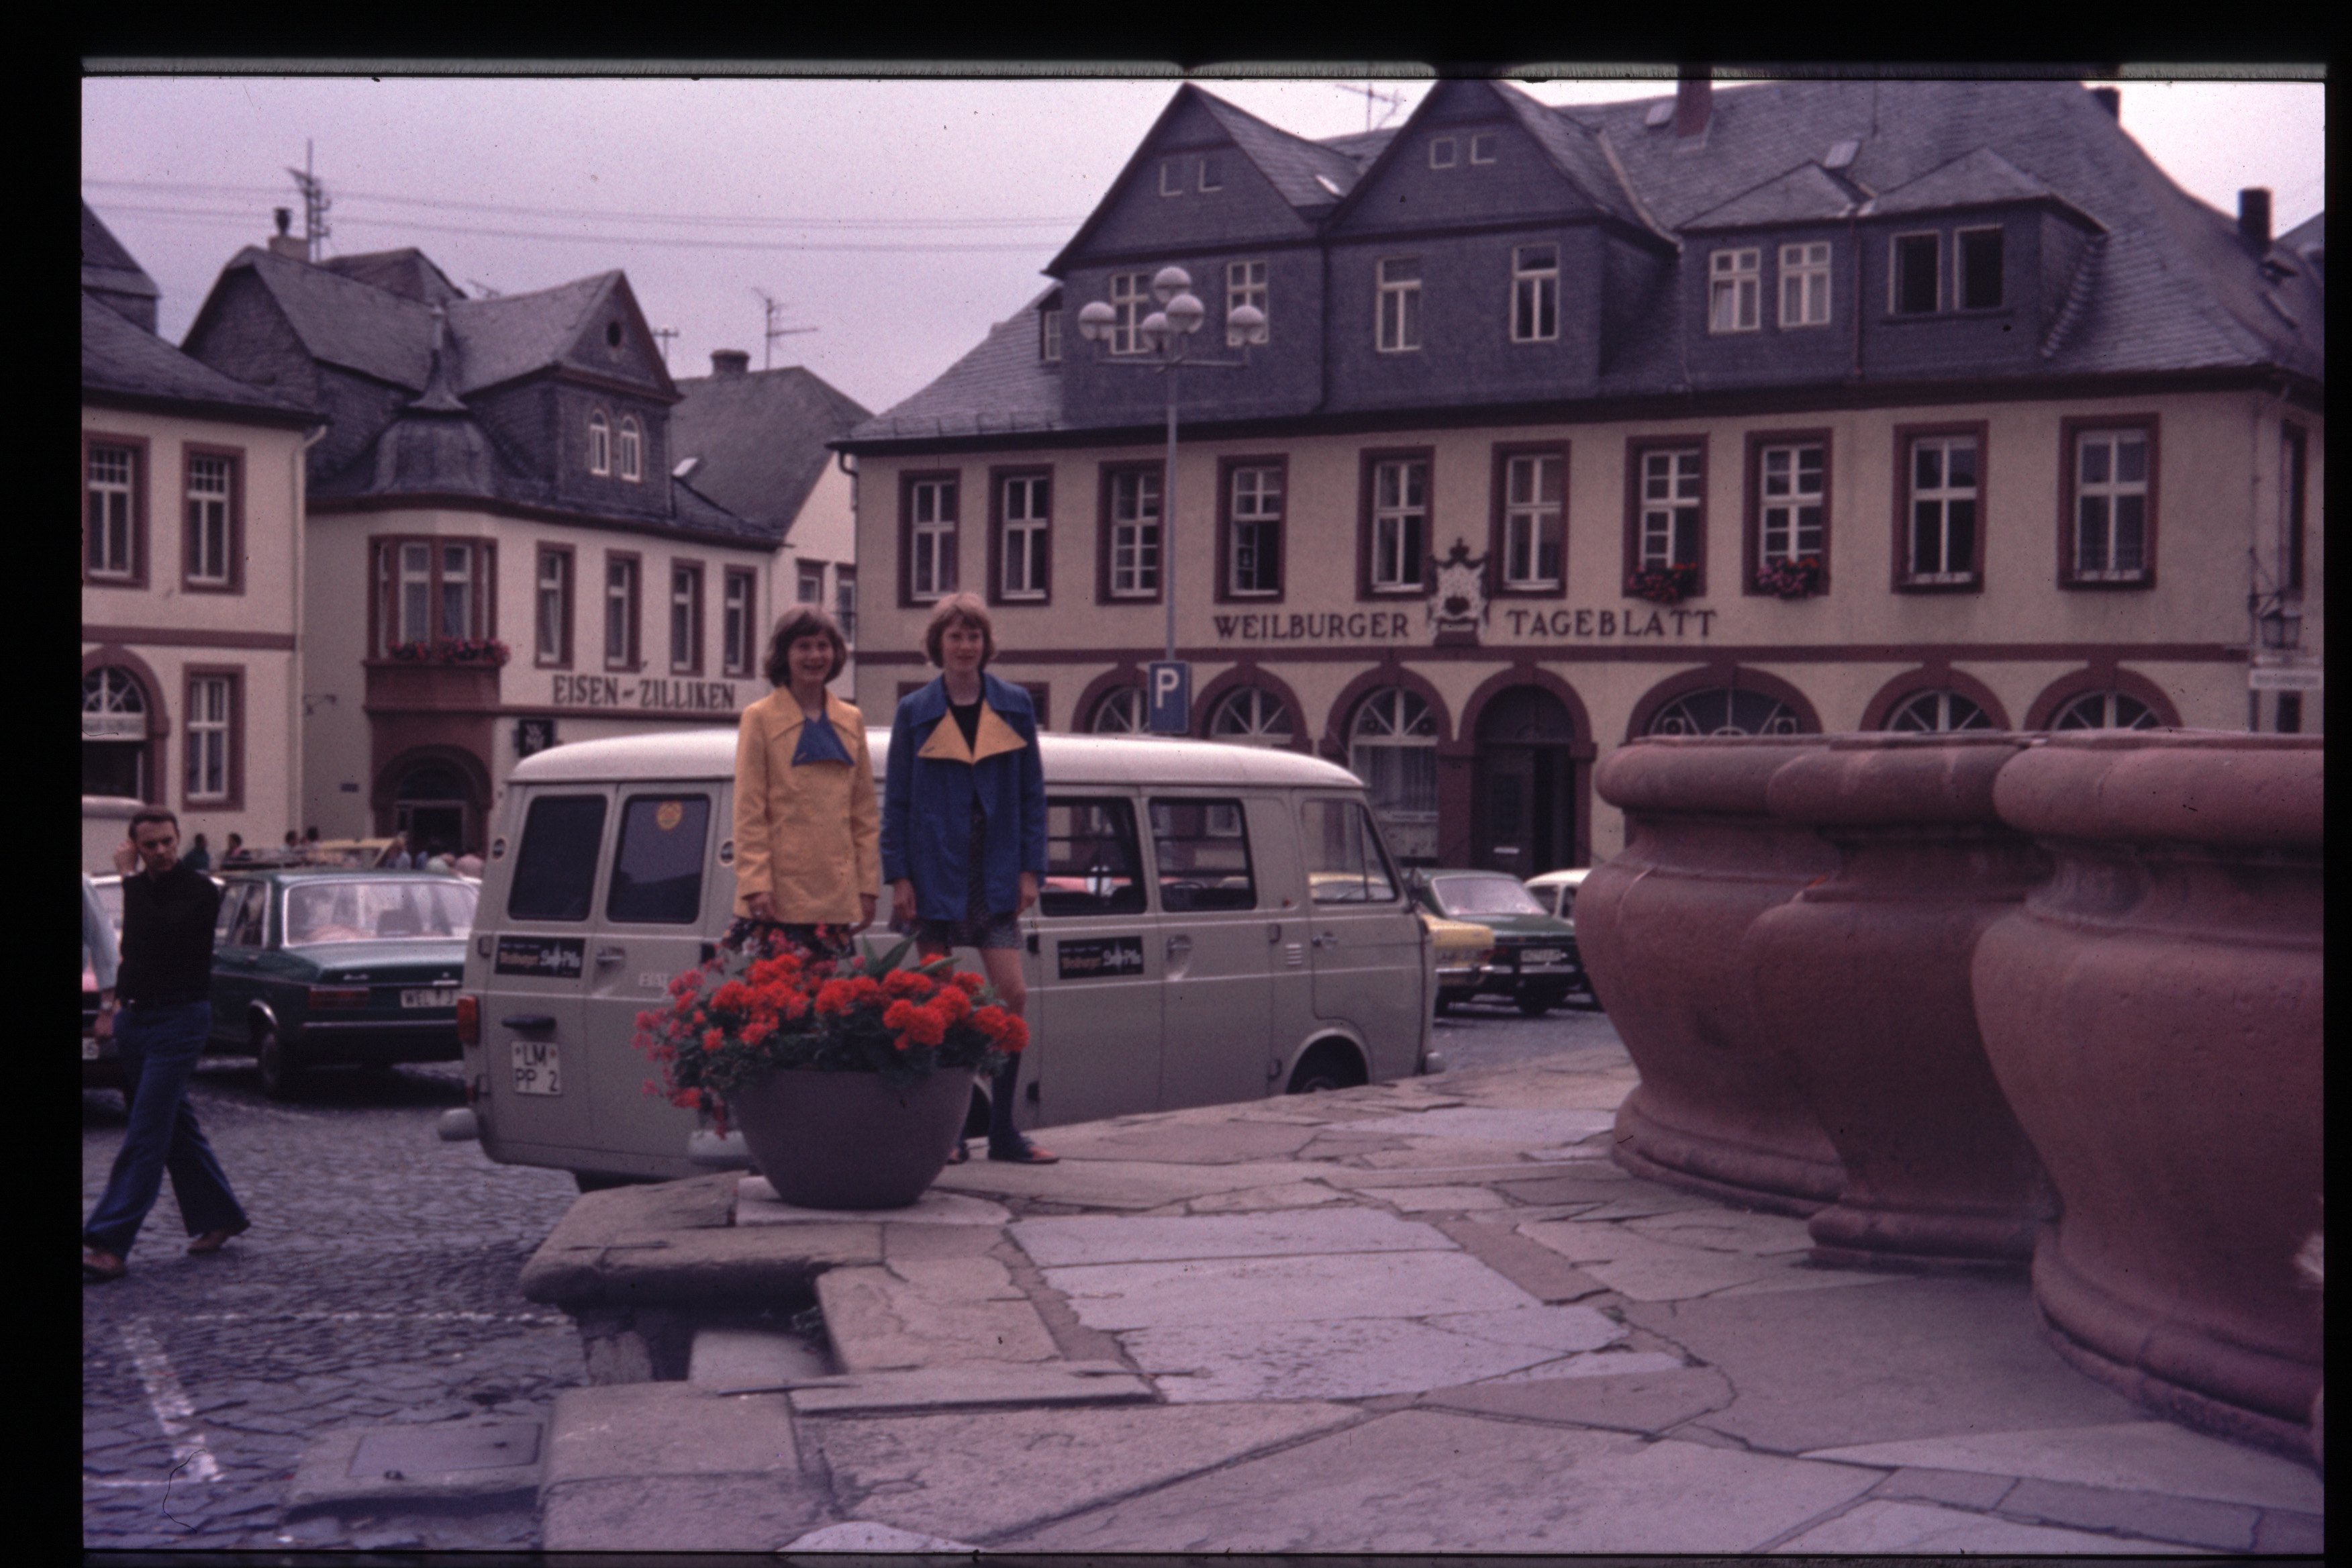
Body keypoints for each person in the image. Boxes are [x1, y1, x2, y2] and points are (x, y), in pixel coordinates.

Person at [882, 593, 1056, 1165]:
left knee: (1012, 995)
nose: (965, 646)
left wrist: (1031, 868)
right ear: (939, 644)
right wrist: (898, 876)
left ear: (986, 643)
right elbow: (897, 800)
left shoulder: (1014, 705)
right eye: (955, 636)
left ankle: (1003, 1133)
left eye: (974, 636)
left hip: (995, 872)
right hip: (933, 874)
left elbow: (1032, 793)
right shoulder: (914, 711)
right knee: (941, 1003)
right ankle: (949, 1135)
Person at [83, 809, 250, 1283]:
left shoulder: (200, 890)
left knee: (146, 1131)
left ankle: (109, 1244)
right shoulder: (140, 890)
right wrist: (114, 1009)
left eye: (167, 842)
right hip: (137, 1021)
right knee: (176, 1125)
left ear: (179, 840)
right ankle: (220, 1215)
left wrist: (128, 879)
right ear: (136, 846)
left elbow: (160, 932)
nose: (161, 852)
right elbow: (132, 953)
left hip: (179, 1021)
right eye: (150, 845)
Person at [732, 605, 878, 961]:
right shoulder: (759, 718)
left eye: (823, 646)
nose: (815, 655)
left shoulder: (852, 719)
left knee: (832, 995)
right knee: (778, 997)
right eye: (803, 646)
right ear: (784, 654)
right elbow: (749, 811)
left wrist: (867, 888)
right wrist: (756, 885)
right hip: (778, 899)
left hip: (836, 898)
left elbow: (864, 816)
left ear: (836, 653)